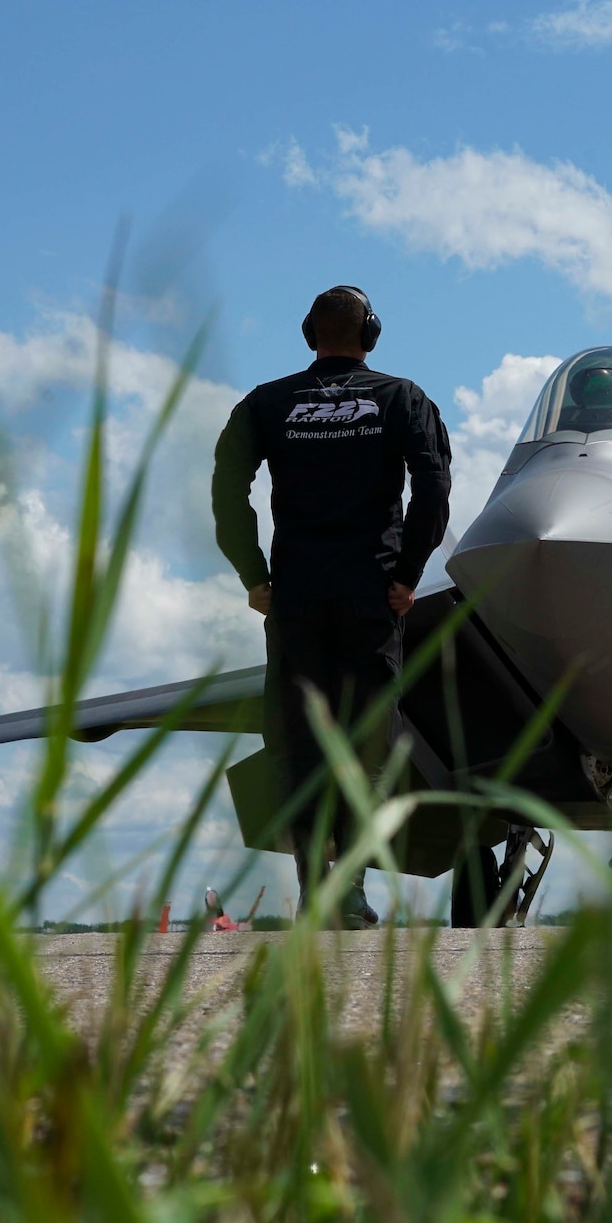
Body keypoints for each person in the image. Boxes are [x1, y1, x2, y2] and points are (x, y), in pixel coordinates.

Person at [211, 286, 452, 929]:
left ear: (306, 331)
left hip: (295, 600)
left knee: (299, 744)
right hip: (370, 599)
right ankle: (349, 889)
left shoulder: (267, 402)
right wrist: (408, 575)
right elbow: (433, 486)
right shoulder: (402, 399)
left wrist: (253, 574)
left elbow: (226, 484)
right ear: (371, 331)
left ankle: (315, 884)